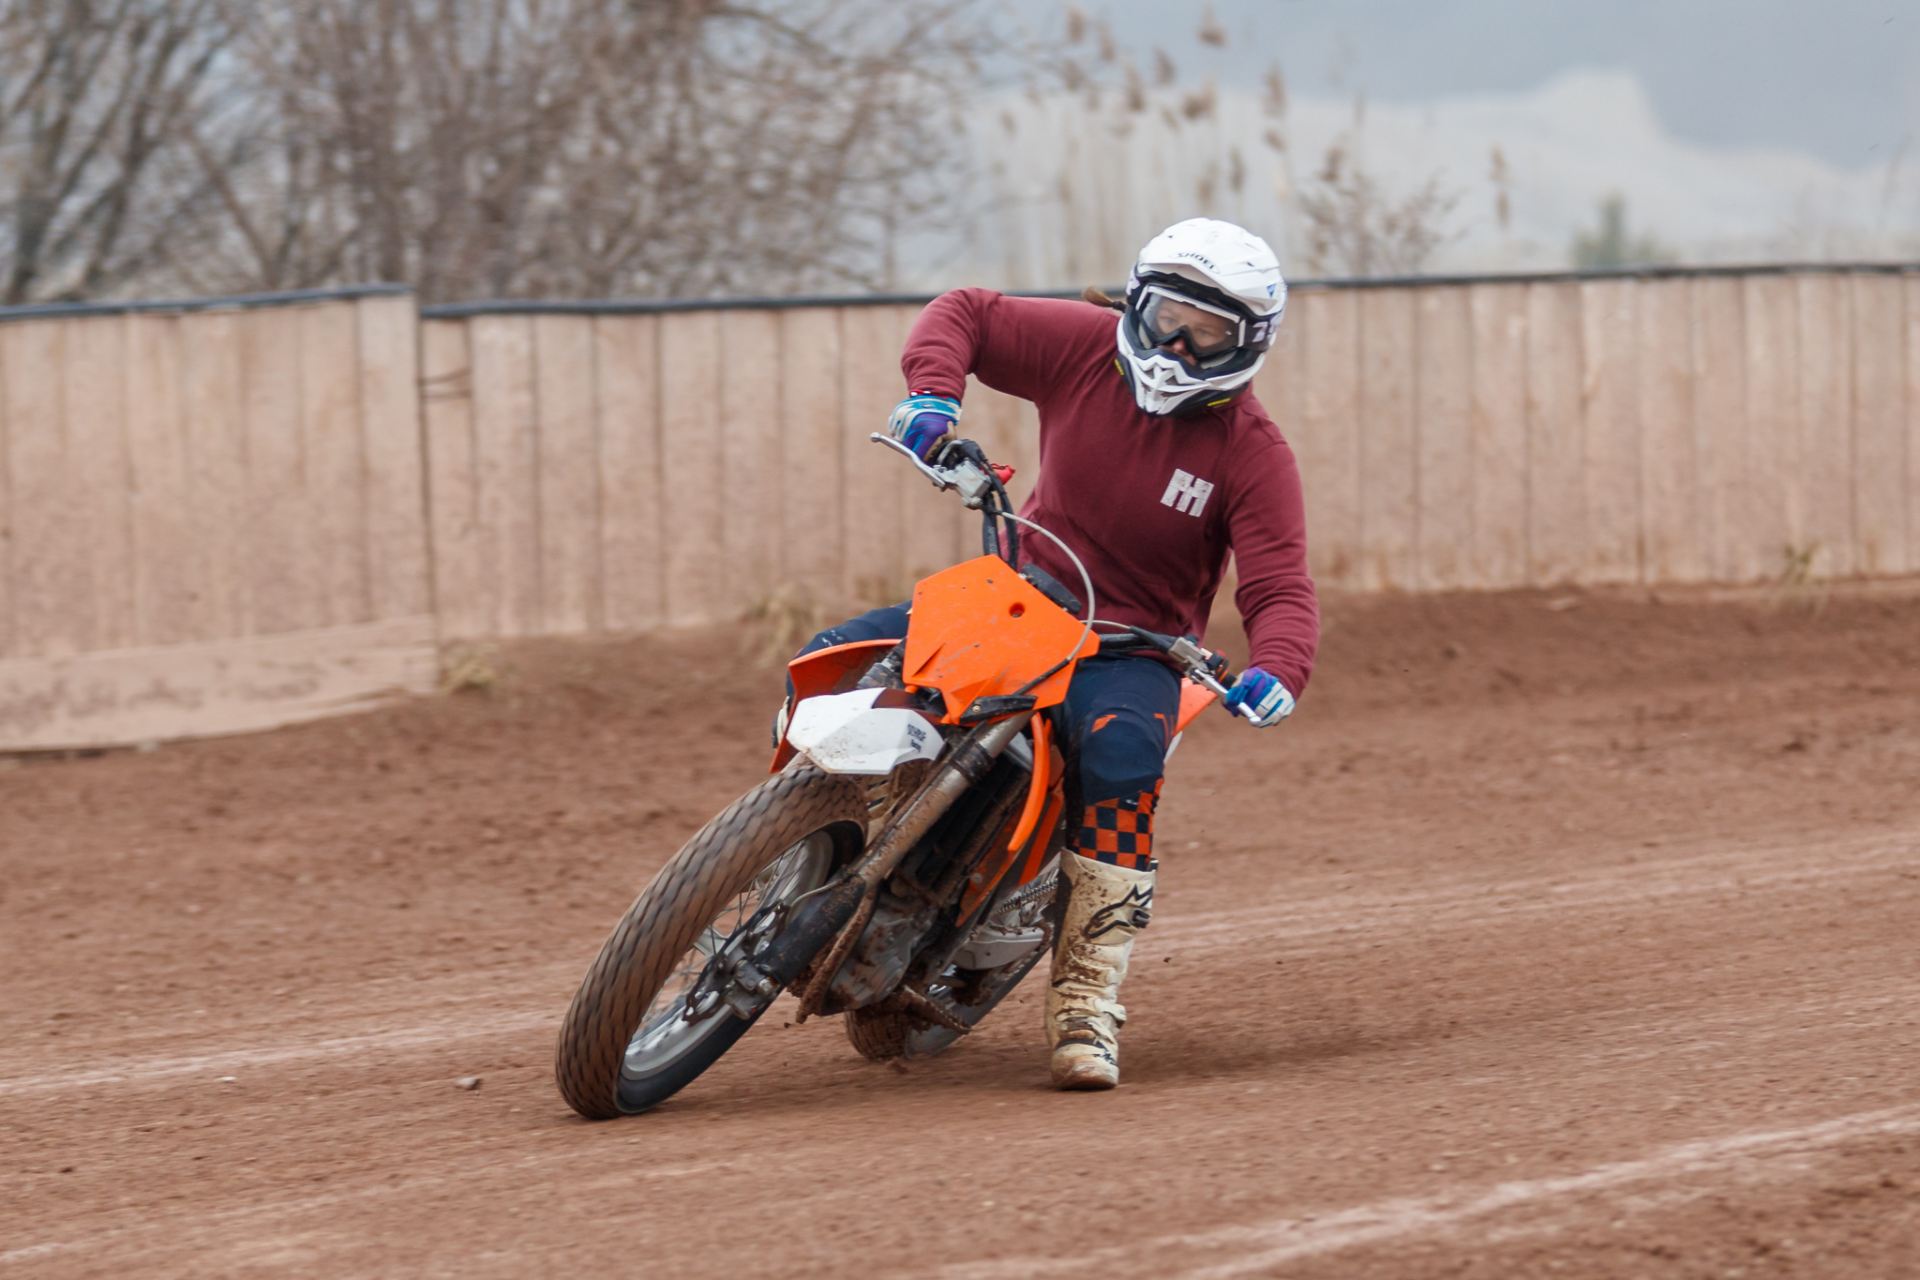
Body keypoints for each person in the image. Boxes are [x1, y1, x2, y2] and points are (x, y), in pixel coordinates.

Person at [796, 217, 1319, 1090]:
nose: (1180, 347)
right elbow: (965, 312)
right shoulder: (1083, 349)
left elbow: (1280, 586)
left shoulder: (1253, 454)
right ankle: (803, 846)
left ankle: (1084, 998)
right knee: (836, 655)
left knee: (1122, 756)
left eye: (1211, 333)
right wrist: (933, 397)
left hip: (1133, 649)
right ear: (1138, 305)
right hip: (1017, 595)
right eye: (1167, 319)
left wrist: (1278, 668)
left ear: (1249, 344)